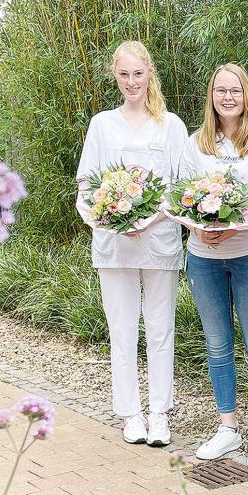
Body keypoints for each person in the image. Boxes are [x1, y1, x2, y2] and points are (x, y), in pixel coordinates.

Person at [75, 40, 188, 447]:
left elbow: (180, 186)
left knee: (160, 329)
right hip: (114, 243)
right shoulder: (102, 124)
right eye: (123, 74)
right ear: (115, 76)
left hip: (159, 241)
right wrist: (112, 217)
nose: (131, 82)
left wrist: (150, 218)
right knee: (122, 330)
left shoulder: (171, 125)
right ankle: (130, 414)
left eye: (138, 73)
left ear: (150, 73)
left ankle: (159, 413)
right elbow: (87, 184)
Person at [180, 64, 248, 469]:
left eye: (235, 90)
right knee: (217, 343)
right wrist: (200, 227)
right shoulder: (196, 144)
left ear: (247, 95)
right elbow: (180, 198)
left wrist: (237, 222)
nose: (227, 97)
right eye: (220, 90)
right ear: (211, 96)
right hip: (204, 258)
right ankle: (227, 427)